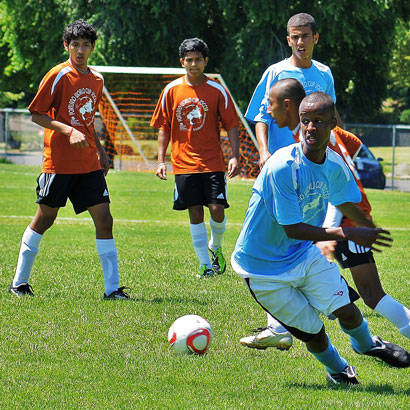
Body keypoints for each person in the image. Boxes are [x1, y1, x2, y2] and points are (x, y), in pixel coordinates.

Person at [231, 92, 409, 385]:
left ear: (333, 123)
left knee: (348, 312)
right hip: (261, 267)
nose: (311, 128)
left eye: (318, 121)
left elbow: (345, 200)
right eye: (305, 122)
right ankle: (338, 370)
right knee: (313, 332)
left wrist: (368, 227)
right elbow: (293, 229)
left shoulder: (334, 164)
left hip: (302, 254)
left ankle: (366, 345)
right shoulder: (282, 166)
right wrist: (347, 232)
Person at [9, 19, 129, 299]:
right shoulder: (58, 75)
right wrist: (67, 130)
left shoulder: (97, 79)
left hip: (88, 163)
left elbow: (87, 120)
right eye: (75, 44)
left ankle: (112, 289)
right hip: (59, 163)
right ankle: (19, 282)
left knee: (105, 219)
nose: (80, 50)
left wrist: (100, 151)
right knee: (44, 219)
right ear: (67, 45)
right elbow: (37, 113)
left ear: (93, 48)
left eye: (86, 45)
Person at [151, 38, 240, 278]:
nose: (193, 64)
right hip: (183, 164)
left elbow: (232, 125)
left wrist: (235, 156)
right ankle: (204, 265)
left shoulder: (217, 89)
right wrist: (161, 160)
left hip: (213, 162)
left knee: (217, 209)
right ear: (182, 62)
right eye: (189, 60)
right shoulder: (171, 90)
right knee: (195, 212)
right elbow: (163, 127)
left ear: (205, 61)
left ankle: (216, 247)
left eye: (198, 59)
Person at [245, 12, 341, 168]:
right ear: (289, 40)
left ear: (315, 38)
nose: (300, 42)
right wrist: (263, 152)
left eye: (305, 36)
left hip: (315, 160)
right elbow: (262, 117)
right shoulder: (275, 72)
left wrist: (341, 151)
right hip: (281, 159)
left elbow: (332, 114)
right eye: (295, 37)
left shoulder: (324, 73)